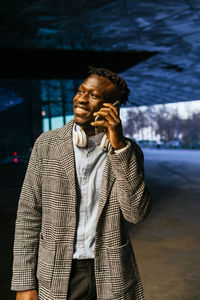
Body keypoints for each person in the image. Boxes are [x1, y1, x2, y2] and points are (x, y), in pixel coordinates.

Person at [11, 67, 152, 300]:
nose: (81, 99)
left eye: (93, 95)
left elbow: (136, 214)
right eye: (80, 91)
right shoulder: (46, 145)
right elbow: (28, 214)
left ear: (112, 107)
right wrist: (24, 283)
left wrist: (119, 148)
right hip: (57, 273)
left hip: (111, 273)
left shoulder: (128, 152)